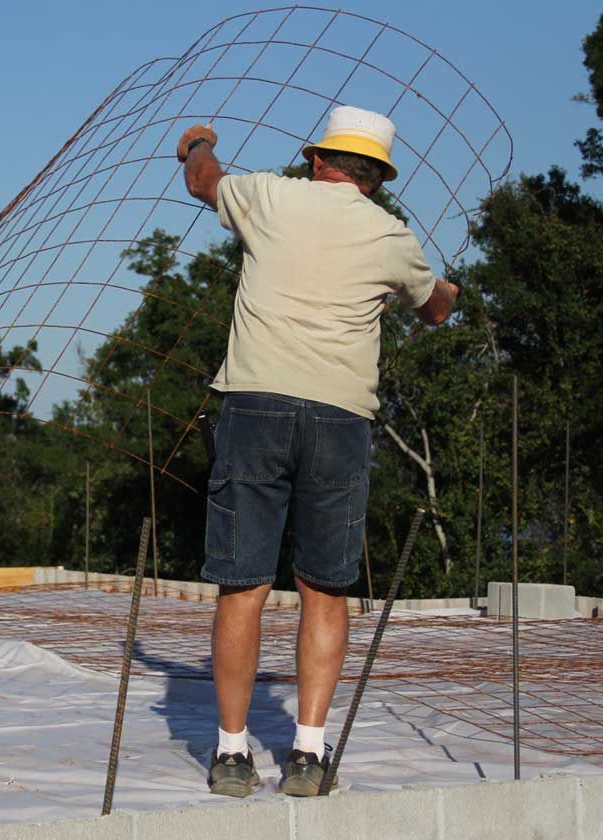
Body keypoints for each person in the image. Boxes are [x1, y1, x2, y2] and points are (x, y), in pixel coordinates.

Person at [176, 106, 458, 797]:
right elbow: (438, 308)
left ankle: (233, 754)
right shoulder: (391, 235)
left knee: (243, 585)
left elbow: (203, 181)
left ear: (318, 160)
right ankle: (307, 753)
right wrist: (440, 288)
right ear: (376, 176)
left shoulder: (270, 195)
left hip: (256, 406)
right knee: (324, 589)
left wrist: (198, 142)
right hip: (340, 419)